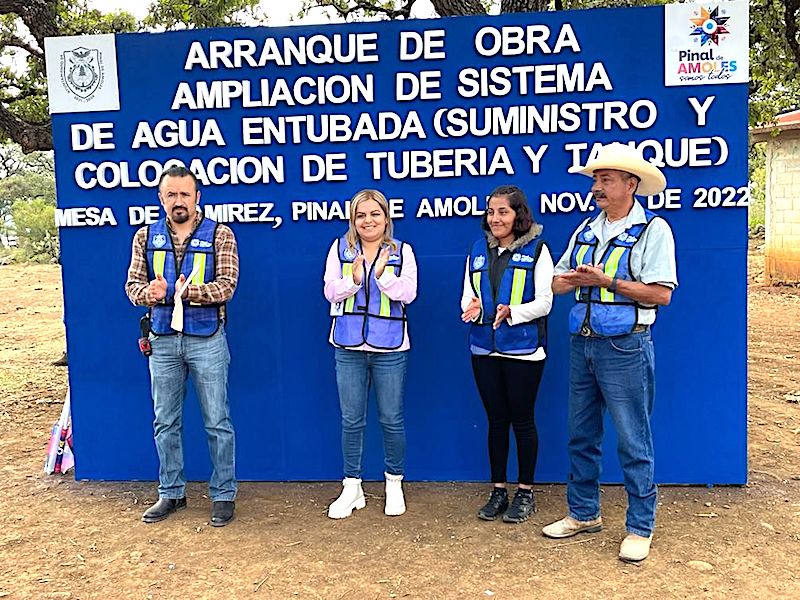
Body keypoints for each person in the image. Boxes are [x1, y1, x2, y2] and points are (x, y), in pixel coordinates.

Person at [542, 142, 678, 562]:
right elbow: (556, 282)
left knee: (633, 439)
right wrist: (568, 281)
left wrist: (607, 283)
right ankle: (584, 513)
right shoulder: (585, 229)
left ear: (631, 184)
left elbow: (660, 294)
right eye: (596, 180)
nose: (597, 187)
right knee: (581, 435)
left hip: (626, 347)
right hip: (582, 342)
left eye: (606, 179)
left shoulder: (654, 230)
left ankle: (640, 526)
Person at [125, 165, 239, 527]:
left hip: (207, 340)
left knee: (217, 421)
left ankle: (223, 495)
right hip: (162, 341)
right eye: (171, 194)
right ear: (161, 198)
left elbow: (226, 287)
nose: (178, 201)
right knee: (165, 422)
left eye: (184, 194)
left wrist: (183, 292)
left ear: (197, 197)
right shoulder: (145, 237)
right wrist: (150, 293)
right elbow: (132, 288)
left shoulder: (220, 235)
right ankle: (171, 492)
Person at [461, 185, 554, 524]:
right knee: (496, 421)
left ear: (518, 215)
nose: (495, 218)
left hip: (524, 350)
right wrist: (471, 308)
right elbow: (468, 293)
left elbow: (546, 301)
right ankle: (498, 490)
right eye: (491, 212)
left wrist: (512, 312)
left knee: (522, 420)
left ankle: (525, 492)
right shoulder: (478, 249)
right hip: (484, 348)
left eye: (503, 211)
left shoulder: (538, 249)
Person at [323, 189, 418, 519]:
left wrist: (383, 277)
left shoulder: (402, 251)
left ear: (386, 218)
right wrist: (354, 279)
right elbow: (329, 290)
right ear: (353, 219)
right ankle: (353, 487)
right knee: (352, 420)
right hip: (348, 346)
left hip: (390, 346)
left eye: (375, 214)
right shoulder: (340, 249)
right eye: (361, 215)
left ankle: (394, 483)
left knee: (391, 418)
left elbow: (409, 293)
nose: (368, 220)